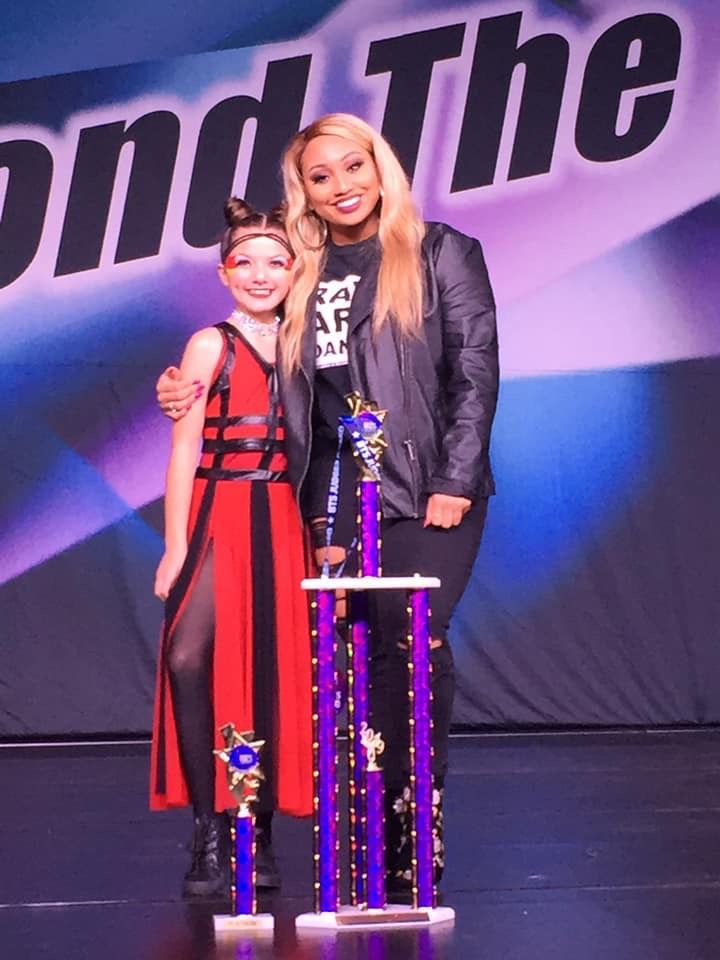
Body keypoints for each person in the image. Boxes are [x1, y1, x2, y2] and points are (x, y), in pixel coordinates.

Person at [157, 113, 498, 893]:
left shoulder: (441, 251)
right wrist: (178, 386)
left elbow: (475, 372)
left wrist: (455, 478)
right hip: (334, 500)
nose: (341, 186)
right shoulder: (305, 268)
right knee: (350, 663)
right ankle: (364, 831)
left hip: (427, 490)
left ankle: (415, 830)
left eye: (353, 167)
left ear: (380, 167)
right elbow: (247, 355)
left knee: (410, 650)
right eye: (321, 176)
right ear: (303, 191)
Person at [150, 198, 313, 898]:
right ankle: (209, 827)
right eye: (246, 261)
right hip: (220, 511)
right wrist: (174, 546)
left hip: (282, 518)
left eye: (276, 261)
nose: (261, 273)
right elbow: (184, 450)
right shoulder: (209, 344)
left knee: (271, 672)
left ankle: (259, 830)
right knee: (190, 657)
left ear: (296, 270)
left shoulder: (310, 344)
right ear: (224, 272)